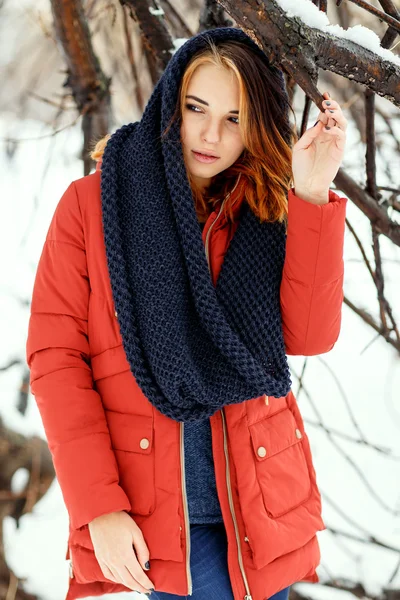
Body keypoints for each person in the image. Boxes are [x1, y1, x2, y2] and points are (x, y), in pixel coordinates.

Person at [26, 26, 348, 600]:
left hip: (257, 509)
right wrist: (98, 505)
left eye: (233, 117)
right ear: (170, 101)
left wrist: (314, 194)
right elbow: (57, 360)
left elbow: (308, 335)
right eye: (196, 107)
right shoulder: (94, 206)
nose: (209, 134)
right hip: (161, 518)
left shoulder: (265, 202)